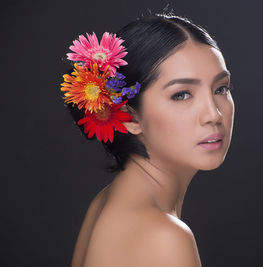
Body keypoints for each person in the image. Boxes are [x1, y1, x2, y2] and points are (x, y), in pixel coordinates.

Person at [65, 12, 235, 267]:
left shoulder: (108, 201)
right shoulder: (164, 235)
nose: (214, 114)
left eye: (220, 89)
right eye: (182, 95)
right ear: (129, 117)